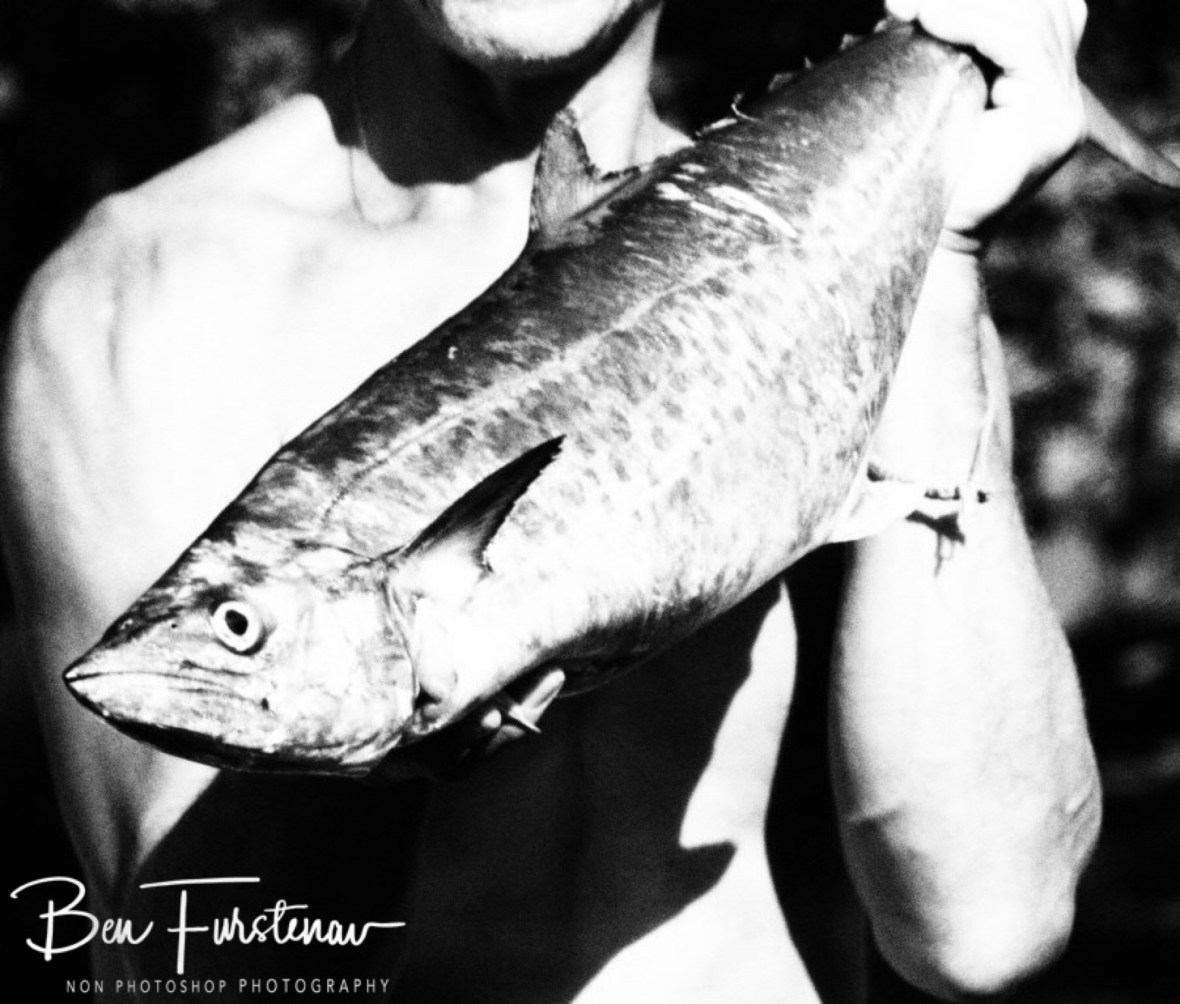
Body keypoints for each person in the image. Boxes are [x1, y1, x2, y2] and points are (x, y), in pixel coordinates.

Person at [1, 0, 1100, 999]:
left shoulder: (841, 232)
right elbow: (204, 970)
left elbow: (986, 926)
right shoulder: (143, 296)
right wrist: (390, 736)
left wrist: (943, 261)